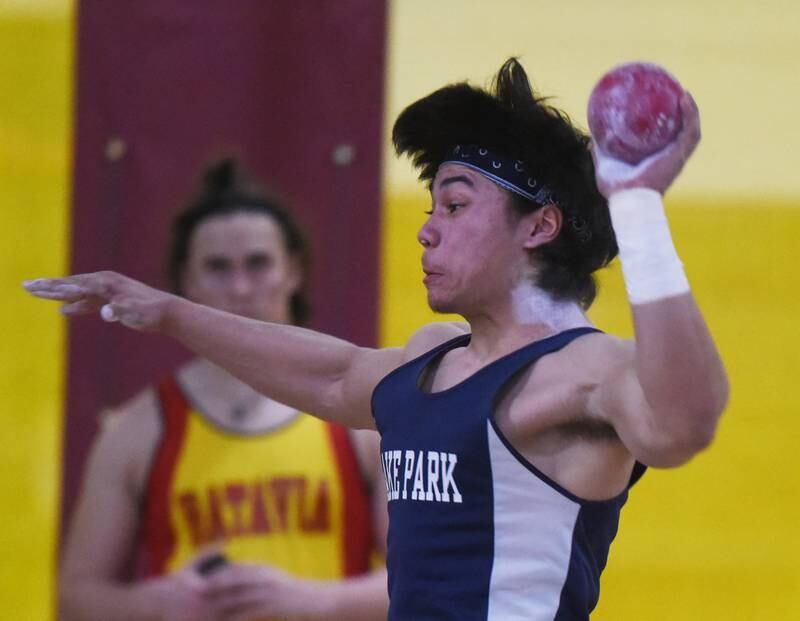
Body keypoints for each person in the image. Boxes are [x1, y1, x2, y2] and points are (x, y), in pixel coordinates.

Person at [27, 59, 729, 621]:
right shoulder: (432, 356)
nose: (427, 229)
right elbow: (333, 376)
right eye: (431, 207)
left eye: (454, 205)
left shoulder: (583, 368)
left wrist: (637, 208)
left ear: (539, 227)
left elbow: (681, 424)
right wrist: (170, 312)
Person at [55, 158, 389, 621]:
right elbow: (75, 598)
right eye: (217, 267)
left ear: (293, 270)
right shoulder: (138, 430)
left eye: (258, 263)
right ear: (185, 282)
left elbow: (426, 578)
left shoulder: (362, 421)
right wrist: (152, 604)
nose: (240, 286)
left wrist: (313, 601)